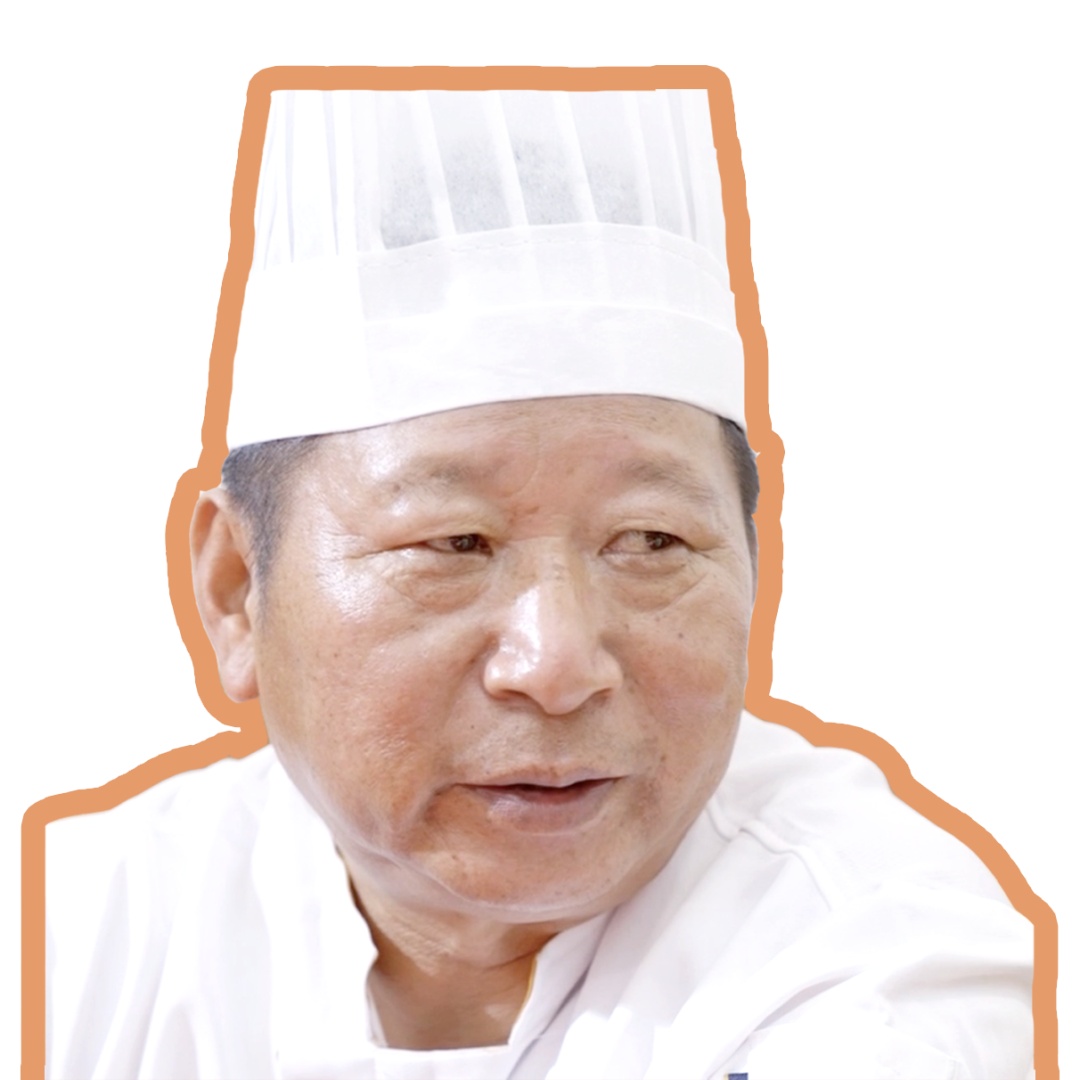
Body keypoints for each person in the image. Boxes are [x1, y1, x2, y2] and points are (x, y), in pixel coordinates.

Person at [45, 83, 1034, 1079]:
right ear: (235, 590)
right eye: (454, 544)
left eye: (650, 540)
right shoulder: (83, 924)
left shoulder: (875, 952)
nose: (556, 665)